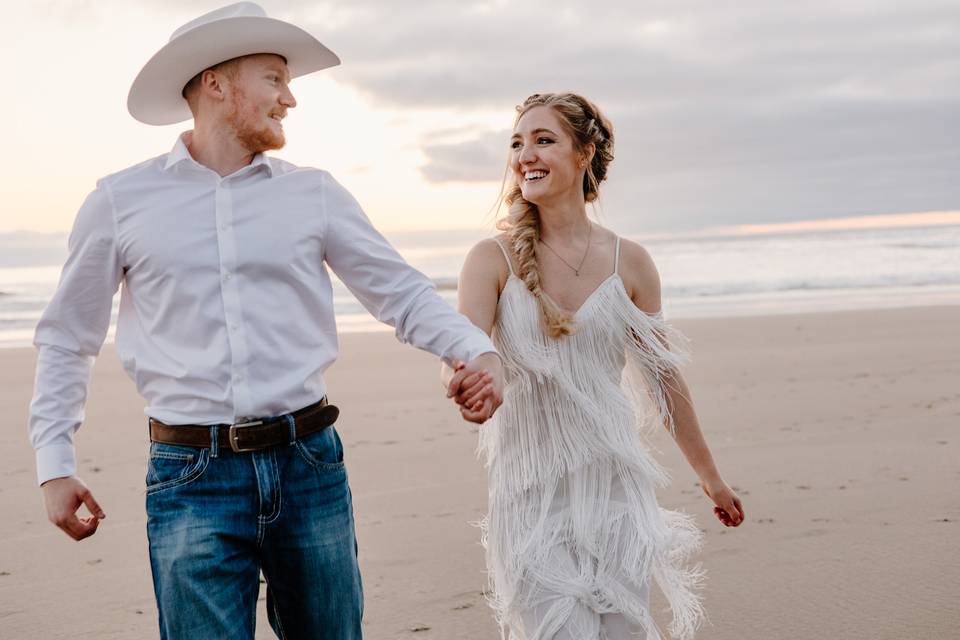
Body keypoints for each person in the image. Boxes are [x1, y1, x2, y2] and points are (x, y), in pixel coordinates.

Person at [28, 3, 502, 639]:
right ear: (216, 83)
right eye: (275, 78)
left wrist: (475, 351)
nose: (290, 100)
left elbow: (401, 293)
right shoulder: (119, 201)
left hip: (309, 465)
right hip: (189, 474)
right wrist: (54, 464)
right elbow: (68, 337)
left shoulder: (316, 193)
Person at [446, 92, 745, 639]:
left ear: (584, 153)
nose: (524, 155)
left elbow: (663, 378)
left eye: (543, 140)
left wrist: (710, 478)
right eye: (516, 143)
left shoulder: (628, 261)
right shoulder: (491, 259)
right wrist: (468, 382)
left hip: (614, 490)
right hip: (531, 492)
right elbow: (462, 347)